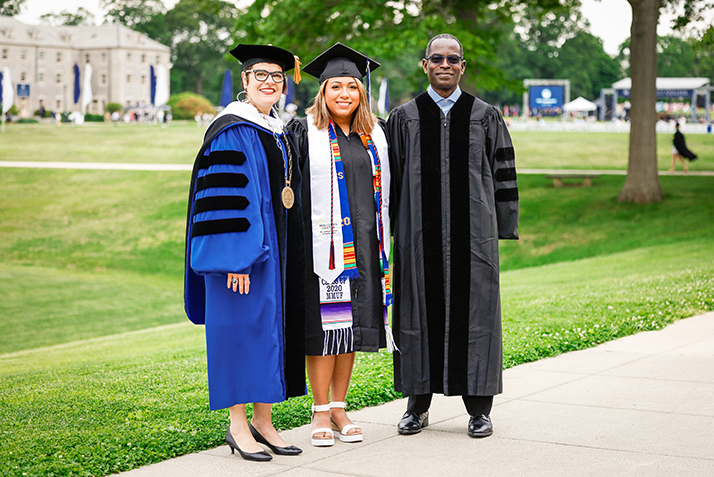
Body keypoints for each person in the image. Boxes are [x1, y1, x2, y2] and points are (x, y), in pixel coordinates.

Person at [387, 33, 519, 439]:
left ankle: (479, 411)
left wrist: (504, 225)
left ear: (463, 67)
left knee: (476, 318)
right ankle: (417, 406)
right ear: (424, 65)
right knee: (415, 316)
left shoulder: (485, 115)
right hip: (416, 238)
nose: (445, 64)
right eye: (437, 58)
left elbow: (504, 177)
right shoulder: (404, 117)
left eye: (453, 59)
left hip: (474, 238)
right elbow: (387, 180)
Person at [184, 44, 306, 462]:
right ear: (245, 81)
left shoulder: (276, 127)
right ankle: (238, 427)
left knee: (269, 335)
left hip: (276, 254)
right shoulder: (231, 129)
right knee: (241, 334)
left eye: (277, 76)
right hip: (241, 259)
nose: (270, 82)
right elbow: (223, 202)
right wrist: (236, 259)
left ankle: (264, 422)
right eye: (261, 75)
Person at [286, 43, 394, 447]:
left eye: (352, 86)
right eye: (336, 87)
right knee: (324, 330)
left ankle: (339, 408)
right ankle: (318, 412)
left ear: (361, 92)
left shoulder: (376, 134)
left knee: (349, 330)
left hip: (365, 249)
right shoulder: (302, 132)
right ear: (323, 92)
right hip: (322, 252)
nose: (345, 94)